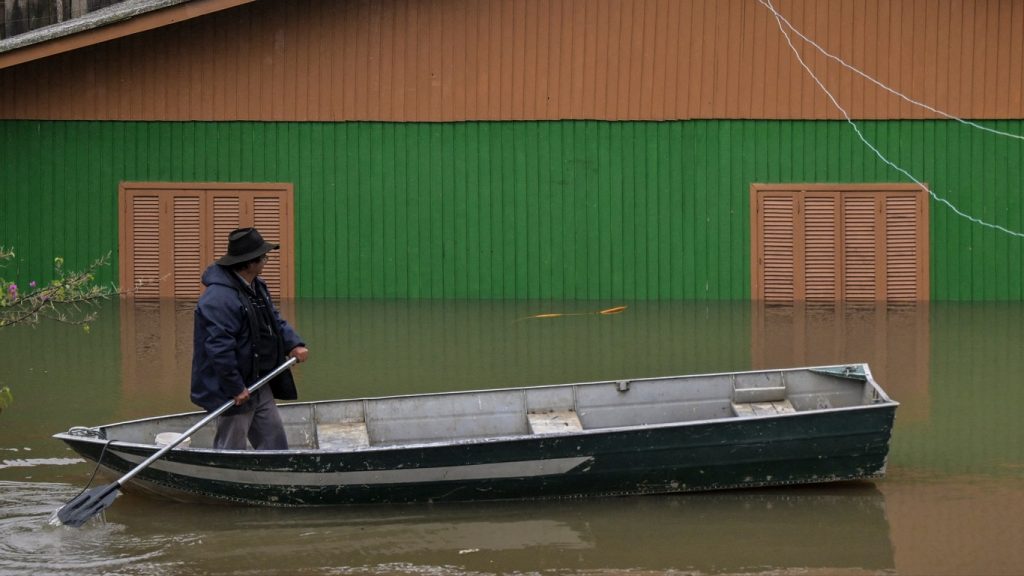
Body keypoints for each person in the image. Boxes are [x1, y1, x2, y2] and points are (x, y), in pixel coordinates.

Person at [190, 227, 309, 450]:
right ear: (249, 262)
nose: (266, 260)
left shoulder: (255, 285)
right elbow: (219, 348)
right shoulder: (218, 298)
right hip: (233, 389)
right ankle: (226, 480)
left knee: (274, 442)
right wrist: (235, 386)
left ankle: (277, 478)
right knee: (231, 447)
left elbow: (273, 320)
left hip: (259, 380)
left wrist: (293, 343)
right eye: (263, 257)